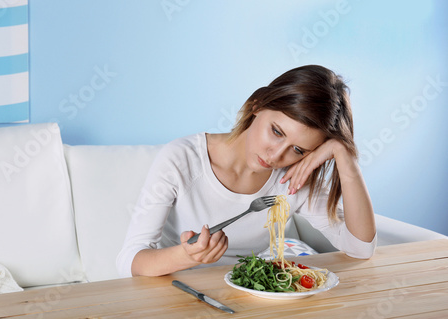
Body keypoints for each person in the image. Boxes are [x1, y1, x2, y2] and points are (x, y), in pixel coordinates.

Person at [116, 65, 376, 278]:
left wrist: (345, 156)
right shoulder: (183, 158)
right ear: (257, 105)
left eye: (297, 149)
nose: (276, 156)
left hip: (246, 296)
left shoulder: (293, 178)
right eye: (276, 131)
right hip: (174, 288)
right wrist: (186, 256)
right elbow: (130, 260)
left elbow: (361, 248)